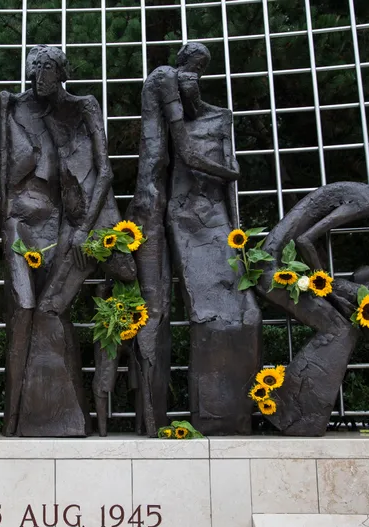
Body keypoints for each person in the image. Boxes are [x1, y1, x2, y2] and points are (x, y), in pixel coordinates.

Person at [0, 45, 134, 436]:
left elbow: (105, 173)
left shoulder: (84, 106)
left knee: (50, 309)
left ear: (61, 73)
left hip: (96, 226)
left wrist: (83, 229)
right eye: (33, 71)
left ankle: (62, 417)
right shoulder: (39, 112)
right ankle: (53, 417)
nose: (38, 78)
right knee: (44, 310)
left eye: (45, 70)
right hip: (69, 223)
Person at [127, 42, 242, 436]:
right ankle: (148, 420)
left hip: (159, 205)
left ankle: (151, 419)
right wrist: (231, 176)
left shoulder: (171, 83)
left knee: (154, 309)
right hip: (150, 207)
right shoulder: (164, 79)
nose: (198, 81)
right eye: (197, 69)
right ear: (186, 65)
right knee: (153, 311)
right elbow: (189, 153)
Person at [256, 182, 369, 436]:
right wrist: (328, 288)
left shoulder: (367, 197)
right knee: (339, 330)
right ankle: (291, 412)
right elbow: (305, 239)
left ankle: (292, 410)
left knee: (343, 324)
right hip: (271, 271)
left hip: (274, 267)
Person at [165, 44, 262, 435]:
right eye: (187, 70)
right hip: (186, 215)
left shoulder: (222, 117)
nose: (191, 78)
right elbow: (184, 161)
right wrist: (229, 173)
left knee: (247, 311)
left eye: (199, 71)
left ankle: (237, 411)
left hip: (216, 216)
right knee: (207, 314)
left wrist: (237, 236)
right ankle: (213, 413)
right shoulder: (170, 117)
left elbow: (230, 178)